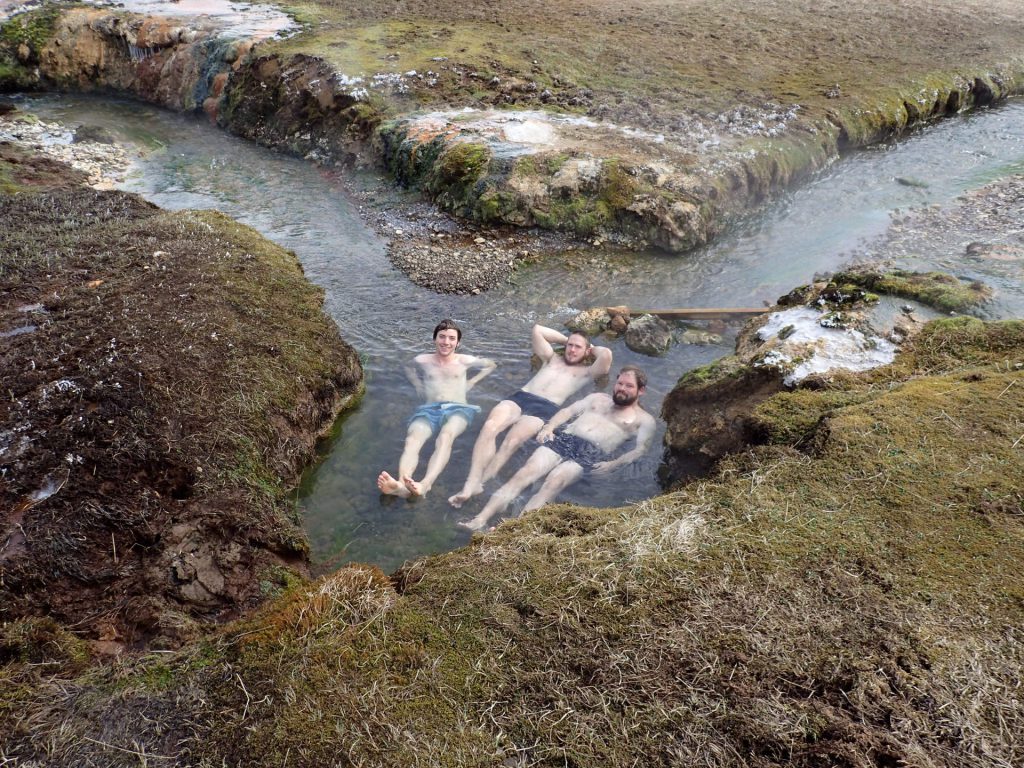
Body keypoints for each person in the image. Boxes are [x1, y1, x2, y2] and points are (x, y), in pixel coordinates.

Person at [458, 365, 656, 531]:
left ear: (641, 391)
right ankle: (480, 519)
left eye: (629, 386)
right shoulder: (597, 398)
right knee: (524, 473)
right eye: (620, 383)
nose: (622, 388)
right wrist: (549, 427)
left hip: (590, 454)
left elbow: (640, 450)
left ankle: (513, 529)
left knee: (554, 482)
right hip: (565, 439)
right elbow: (568, 411)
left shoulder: (644, 420)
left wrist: (613, 464)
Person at [447, 324, 612, 508]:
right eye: (570, 345)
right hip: (521, 397)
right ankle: (471, 481)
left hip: (545, 408)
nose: (572, 350)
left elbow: (606, 355)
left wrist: (590, 349)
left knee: (512, 441)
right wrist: (568, 340)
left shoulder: (586, 373)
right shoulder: (551, 358)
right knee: (490, 427)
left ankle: (482, 482)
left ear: (586, 351)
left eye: (577, 347)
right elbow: (537, 330)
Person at [377, 319, 496, 499]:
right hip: (429, 408)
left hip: (458, 409)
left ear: (458, 342)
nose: (446, 342)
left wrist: (472, 381)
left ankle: (425, 485)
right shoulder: (422, 360)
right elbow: (408, 366)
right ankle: (402, 486)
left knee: (445, 436)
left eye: (451, 338)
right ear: (434, 339)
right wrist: (416, 382)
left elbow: (491, 365)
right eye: (442, 337)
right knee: (413, 438)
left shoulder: (465, 361)